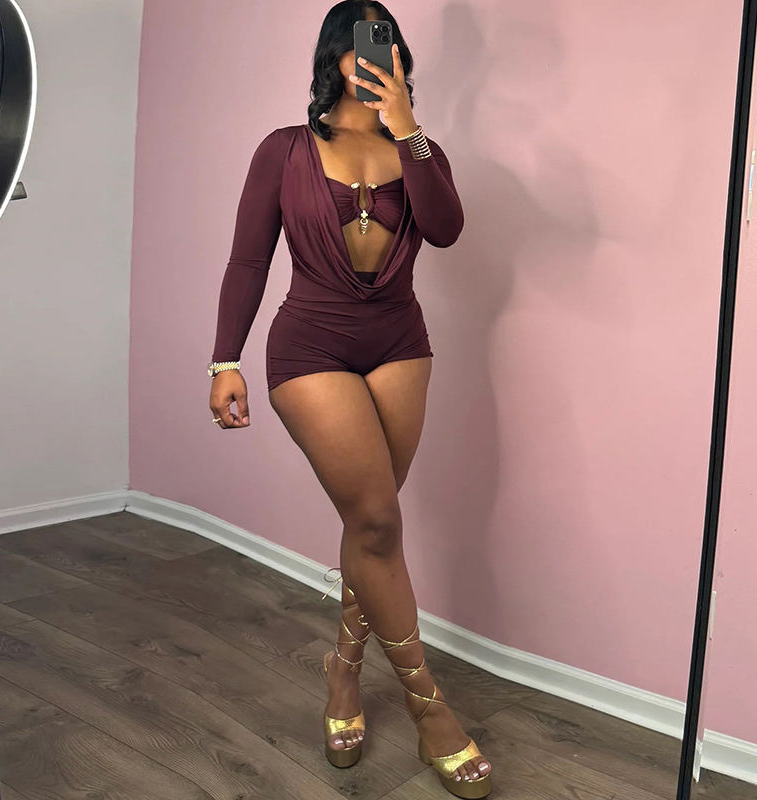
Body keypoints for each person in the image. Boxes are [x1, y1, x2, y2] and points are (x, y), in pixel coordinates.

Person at [208, 3, 490, 797]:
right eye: (363, 44)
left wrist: (409, 129)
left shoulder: (418, 147)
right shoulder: (285, 149)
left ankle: (343, 673)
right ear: (335, 57)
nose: (376, 56)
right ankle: (431, 708)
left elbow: (447, 229)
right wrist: (224, 359)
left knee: (372, 525)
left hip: (401, 344)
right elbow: (247, 260)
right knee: (376, 520)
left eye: (388, 44)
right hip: (310, 346)